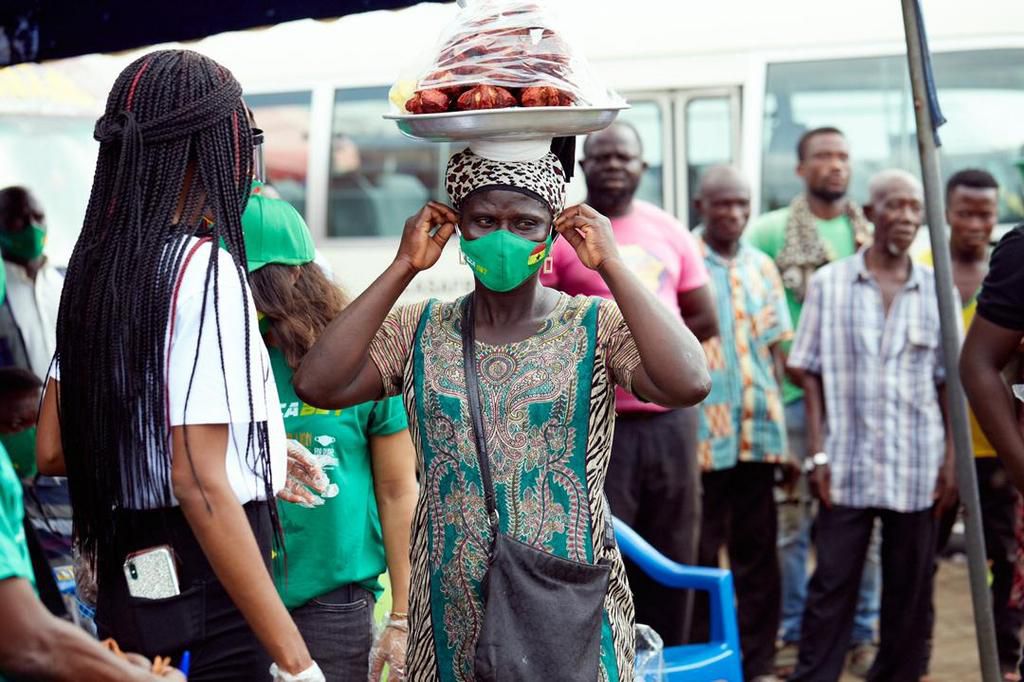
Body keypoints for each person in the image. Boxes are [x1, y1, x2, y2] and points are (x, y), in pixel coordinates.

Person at [292, 142, 711, 680]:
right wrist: (403, 265)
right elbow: (318, 383)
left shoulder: (593, 325)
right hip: (450, 602)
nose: (503, 239)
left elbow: (689, 381)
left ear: (552, 233)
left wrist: (611, 264)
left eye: (525, 223)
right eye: (484, 220)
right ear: (457, 229)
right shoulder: (421, 328)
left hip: (566, 596)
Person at [34, 50, 322, 681]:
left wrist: (259, 456)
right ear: (207, 148)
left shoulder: (91, 274)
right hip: (208, 591)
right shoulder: (205, 270)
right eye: (245, 137)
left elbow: (54, 447)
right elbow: (196, 478)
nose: (249, 156)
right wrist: (297, 663)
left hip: (128, 583)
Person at [542, 121, 718, 646]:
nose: (614, 166)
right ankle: (613, 658)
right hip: (598, 425)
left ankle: (672, 657)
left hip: (669, 423)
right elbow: (540, 321)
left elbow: (704, 318)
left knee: (674, 543)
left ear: (643, 166)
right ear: (583, 166)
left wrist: (649, 363)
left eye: (625, 157)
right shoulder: (559, 234)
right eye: (602, 157)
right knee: (605, 545)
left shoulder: (670, 230)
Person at [241, 182, 417, 681]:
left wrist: (402, 617)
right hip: (234, 601)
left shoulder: (355, 359)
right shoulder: (212, 357)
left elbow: (398, 487)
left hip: (332, 603)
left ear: (295, 277)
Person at [787, 170, 957, 682]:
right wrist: (817, 451)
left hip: (918, 460)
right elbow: (808, 370)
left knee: (911, 590)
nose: (905, 217)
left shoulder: (936, 289)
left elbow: (948, 381)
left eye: (913, 207)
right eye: (894, 206)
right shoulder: (830, 283)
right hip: (846, 462)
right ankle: (816, 674)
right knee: (832, 584)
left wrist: (951, 457)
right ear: (870, 211)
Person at [0, 264, 182, 682]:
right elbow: (28, 641)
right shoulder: (156, 352)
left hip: (126, 557)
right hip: (150, 552)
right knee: (153, 647)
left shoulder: (86, 346)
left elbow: (47, 454)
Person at [746, 126, 880, 675]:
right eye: (823, 156)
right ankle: (795, 631)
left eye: (844, 155)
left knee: (863, 516)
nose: (836, 165)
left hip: (859, 400)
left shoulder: (868, 235)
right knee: (793, 524)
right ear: (800, 169)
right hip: (796, 399)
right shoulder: (771, 231)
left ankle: (862, 632)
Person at [921, 169, 1023, 679]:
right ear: (946, 212)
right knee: (924, 558)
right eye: (966, 212)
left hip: (996, 449)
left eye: (986, 213)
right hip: (937, 448)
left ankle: (1007, 655)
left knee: (1004, 558)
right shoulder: (925, 273)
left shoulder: (1002, 271)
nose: (977, 223)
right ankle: (917, 650)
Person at [689, 166, 790, 682]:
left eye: (742, 205)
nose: (734, 214)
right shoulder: (684, 259)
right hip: (704, 439)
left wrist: (791, 440)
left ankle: (759, 664)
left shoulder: (763, 267)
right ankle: (707, 661)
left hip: (758, 435)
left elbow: (774, 353)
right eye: (723, 204)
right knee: (702, 555)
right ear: (701, 204)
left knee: (758, 558)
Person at [0, 186, 74, 590]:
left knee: (76, 556)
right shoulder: (0, 291)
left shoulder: (66, 283)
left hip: (70, 446)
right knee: (35, 555)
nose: (29, 228)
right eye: (15, 220)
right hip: (19, 445)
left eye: (36, 217)